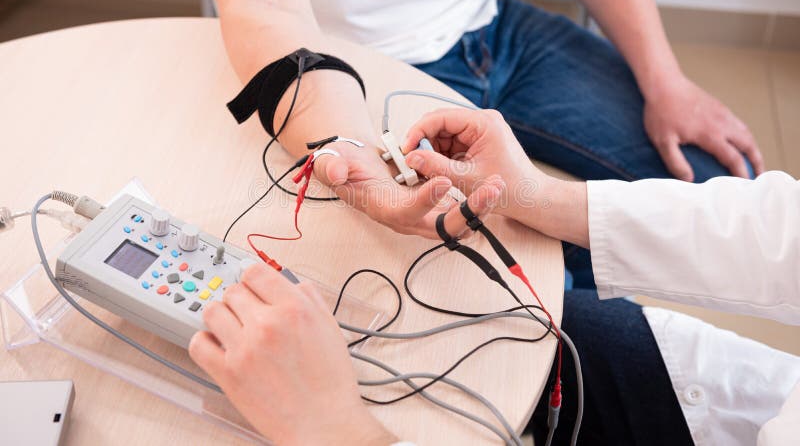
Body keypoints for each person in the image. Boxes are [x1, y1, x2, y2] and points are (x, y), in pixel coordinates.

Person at [182, 0, 765, 288]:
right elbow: (263, 3)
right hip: (361, 67)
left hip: (493, 28)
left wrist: (666, 80)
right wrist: (348, 149)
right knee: (533, 295)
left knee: (717, 185)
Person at [189, 108, 799, 446]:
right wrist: (534, 195)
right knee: (531, 329)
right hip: (759, 401)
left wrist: (329, 429)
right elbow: (782, 231)